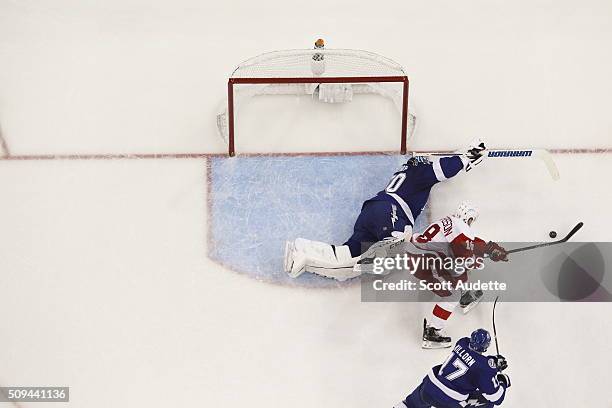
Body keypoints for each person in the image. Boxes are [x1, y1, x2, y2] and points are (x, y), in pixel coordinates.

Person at [284, 139, 488, 281]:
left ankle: (303, 251)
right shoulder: (419, 171)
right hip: (391, 213)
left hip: (372, 211)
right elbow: (442, 169)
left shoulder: (407, 171)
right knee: (398, 246)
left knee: (347, 261)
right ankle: (387, 249)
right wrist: (466, 158)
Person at [409, 202, 508, 348]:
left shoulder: (449, 222)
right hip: (427, 263)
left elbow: (471, 243)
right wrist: (475, 260)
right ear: (468, 218)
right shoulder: (461, 228)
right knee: (452, 293)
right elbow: (465, 254)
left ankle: (464, 297)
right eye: (471, 220)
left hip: (418, 257)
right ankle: (432, 332)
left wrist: (491, 248)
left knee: (457, 271)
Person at [395, 329, 510, 408]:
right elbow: (496, 397)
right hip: (448, 400)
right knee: (486, 402)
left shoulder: (462, 342)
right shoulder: (484, 369)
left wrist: (492, 362)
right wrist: (503, 380)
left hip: (429, 386)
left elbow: (474, 360)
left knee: (410, 405)